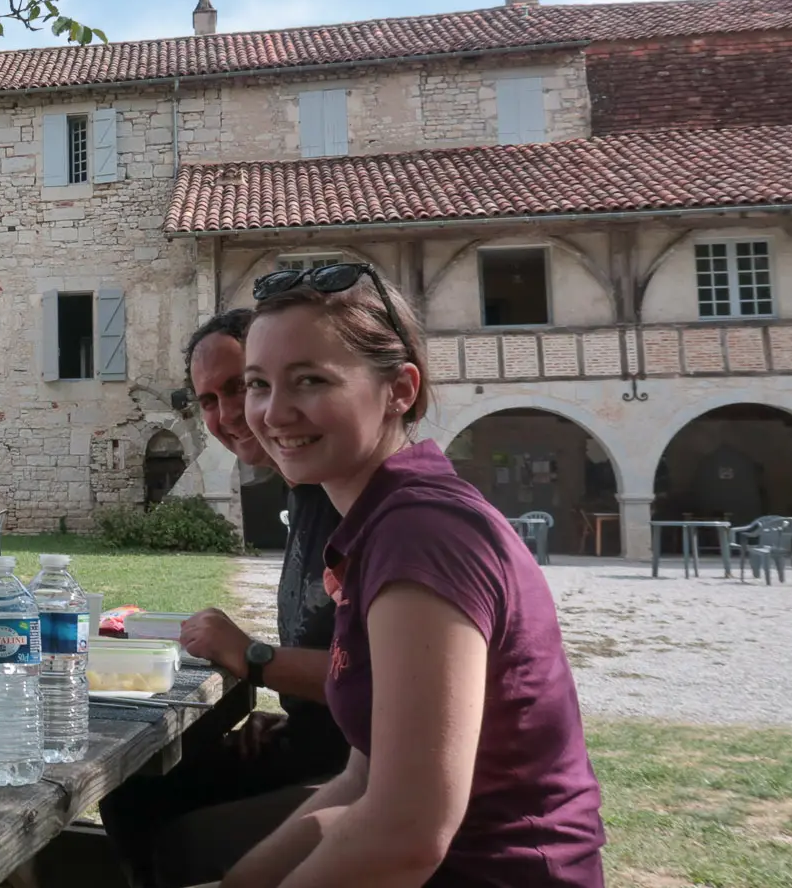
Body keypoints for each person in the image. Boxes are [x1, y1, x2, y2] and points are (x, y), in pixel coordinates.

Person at [225, 263, 604, 887]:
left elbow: (406, 835)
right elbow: (364, 778)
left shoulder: (421, 536)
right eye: (258, 384)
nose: (274, 412)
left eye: (310, 380)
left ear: (400, 389)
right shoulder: (381, 522)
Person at [99, 310, 349, 888]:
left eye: (243, 386)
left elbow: (380, 688)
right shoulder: (312, 497)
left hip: (370, 773)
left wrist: (254, 656)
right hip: (330, 747)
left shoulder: (365, 508)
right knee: (133, 788)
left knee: (175, 831)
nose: (230, 415)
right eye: (208, 400)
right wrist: (299, 721)